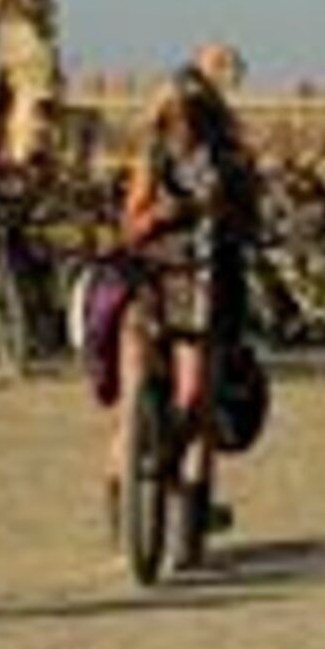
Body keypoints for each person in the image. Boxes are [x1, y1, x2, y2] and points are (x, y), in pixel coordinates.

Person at [112, 64, 261, 567]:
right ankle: (129, 519)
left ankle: (187, 526)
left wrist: (221, 213)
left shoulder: (232, 160)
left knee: (195, 399)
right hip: (154, 279)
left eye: (190, 114)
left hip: (207, 283)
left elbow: (251, 222)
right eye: (174, 115)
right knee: (135, 393)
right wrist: (159, 215)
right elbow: (129, 226)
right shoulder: (153, 158)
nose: (182, 124)